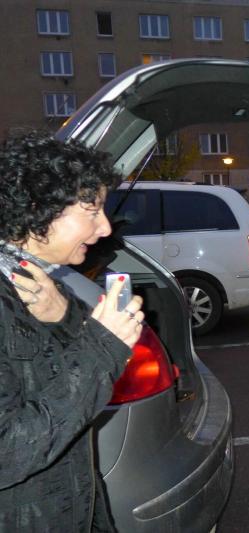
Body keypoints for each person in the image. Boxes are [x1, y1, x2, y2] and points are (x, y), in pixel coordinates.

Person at [0, 131, 145, 531]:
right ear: (38, 208)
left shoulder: (40, 281)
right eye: (91, 210)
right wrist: (102, 346)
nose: (105, 228)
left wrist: (64, 316)